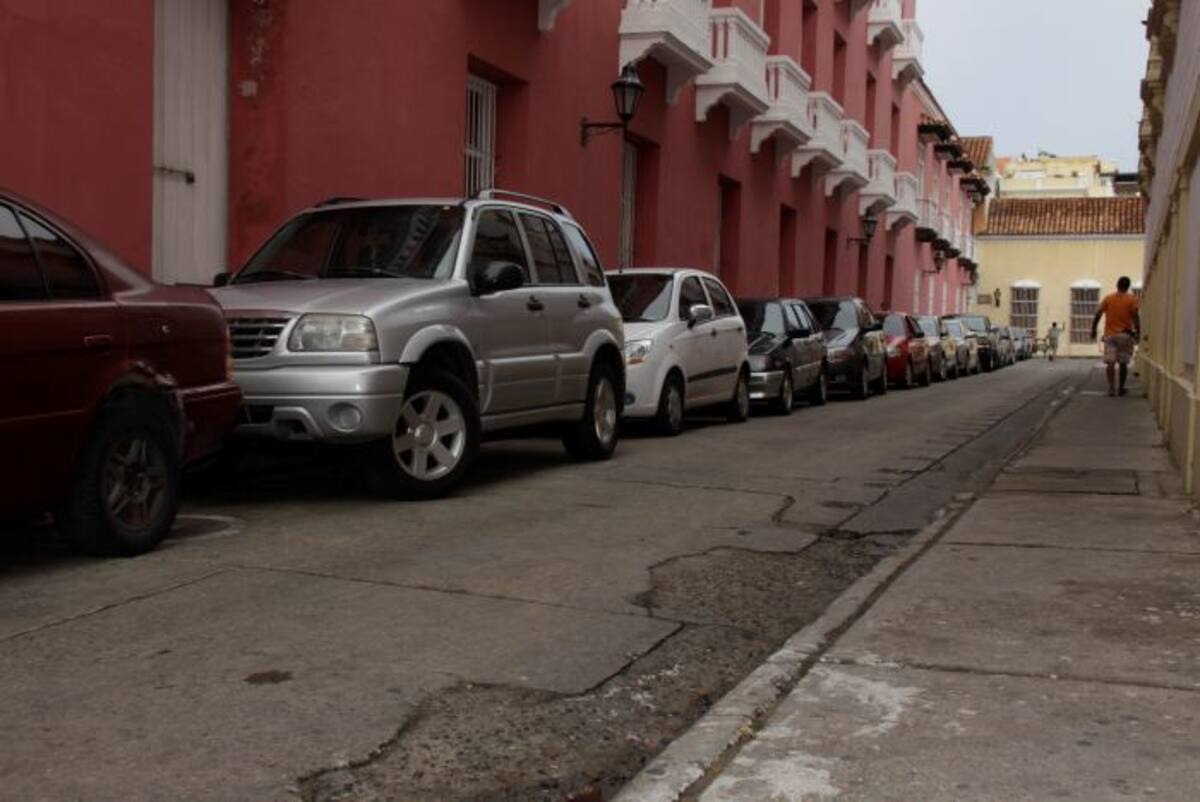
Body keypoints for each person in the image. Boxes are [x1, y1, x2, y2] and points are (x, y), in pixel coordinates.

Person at [1091, 276, 1141, 397]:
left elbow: (1098, 314)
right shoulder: (1132, 299)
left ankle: (1111, 388)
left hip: (1110, 335)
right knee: (1123, 363)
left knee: (1110, 363)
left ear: (1117, 285)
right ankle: (1121, 388)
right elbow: (1135, 316)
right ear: (1128, 286)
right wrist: (1138, 331)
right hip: (1125, 335)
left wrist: (1093, 329)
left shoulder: (1108, 298)